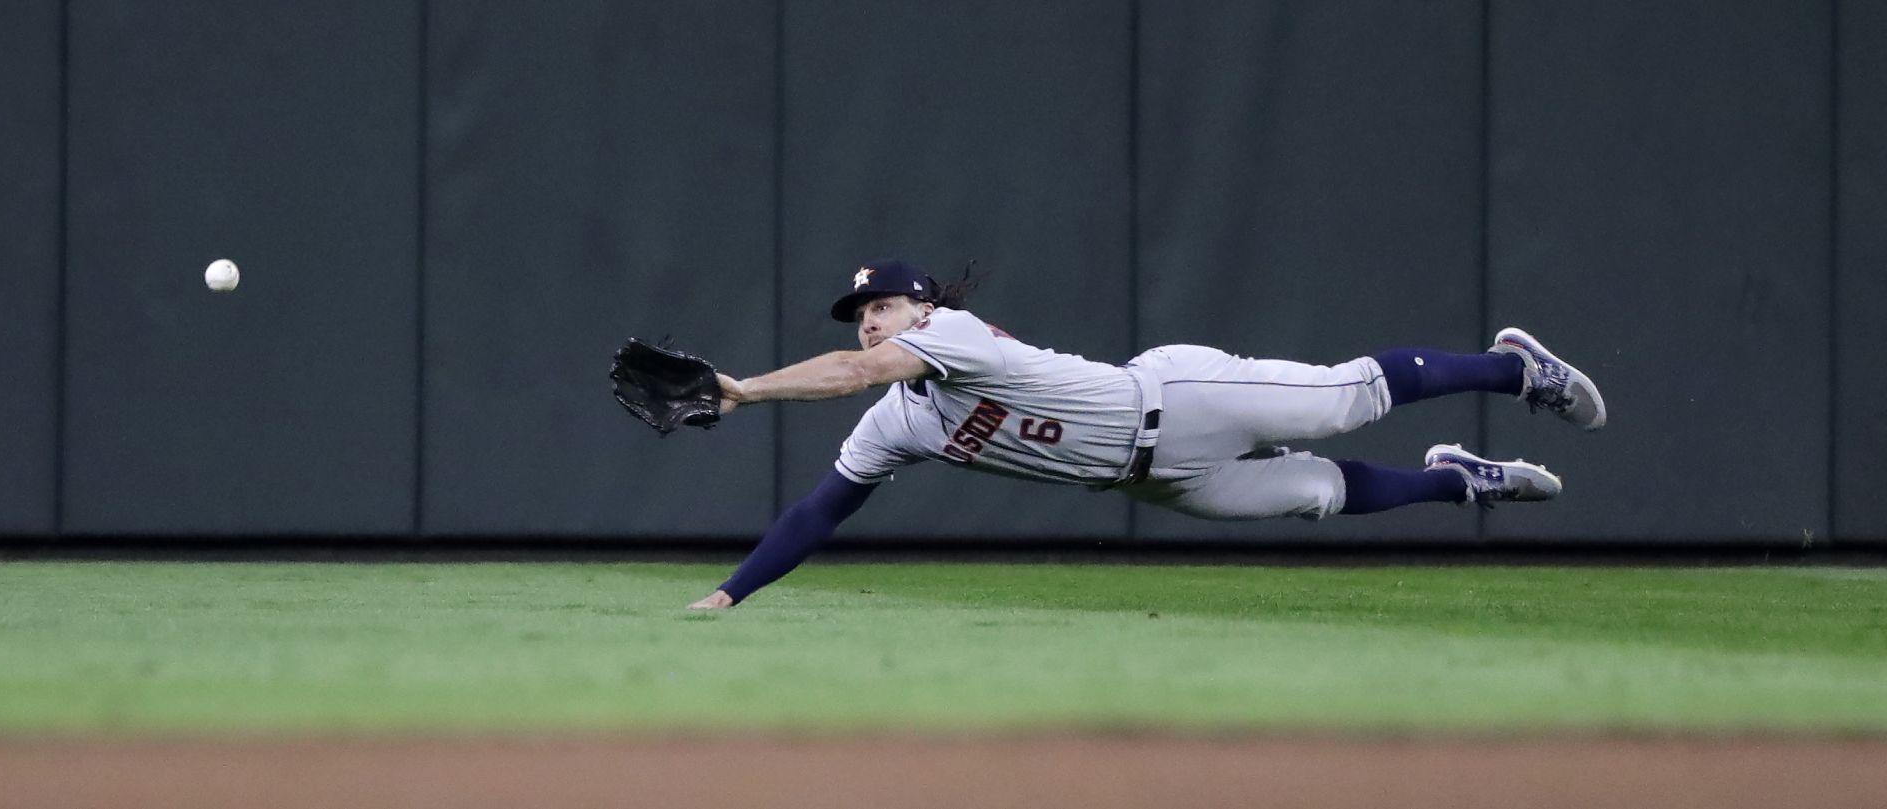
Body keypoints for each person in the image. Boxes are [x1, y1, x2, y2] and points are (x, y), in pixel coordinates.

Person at [686, 258, 1606, 609]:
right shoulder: (896, 423)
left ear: (922, 307)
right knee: (1318, 494)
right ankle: (1460, 478)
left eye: (882, 304)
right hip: (1153, 478)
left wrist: (744, 390)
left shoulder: (948, 336)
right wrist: (731, 595)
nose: (870, 322)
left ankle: (1514, 367)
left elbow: (853, 372)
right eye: (861, 313)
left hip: (1175, 399)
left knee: (1341, 401)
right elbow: (821, 510)